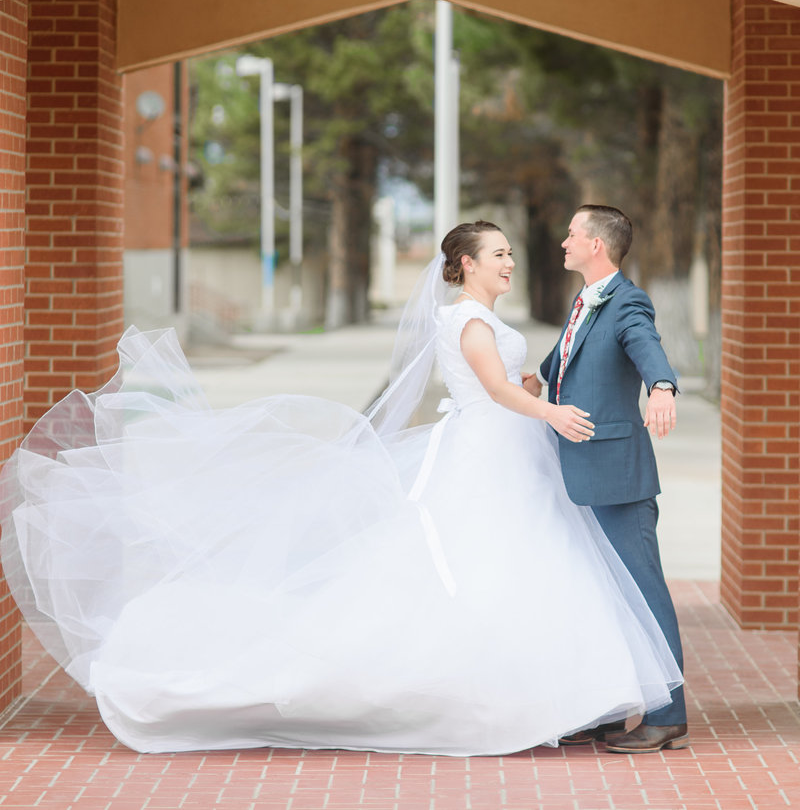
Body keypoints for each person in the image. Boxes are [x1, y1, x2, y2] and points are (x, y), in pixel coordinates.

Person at [0, 221, 681, 756]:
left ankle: (562, 696)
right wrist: (548, 409)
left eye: (509, 251)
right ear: (466, 264)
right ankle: (515, 695)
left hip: (512, 452)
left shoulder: (490, 319)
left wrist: (537, 390)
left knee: (534, 570)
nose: (511, 260)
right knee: (486, 569)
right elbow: (495, 390)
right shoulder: (467, 320)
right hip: (490, 452)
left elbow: (513, 380)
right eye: (498, 253)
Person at [526, 205, 688, 753]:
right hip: (578, 472)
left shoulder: (627, 301)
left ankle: (667, 716)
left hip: (619, 473)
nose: (564, 240)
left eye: (572, 233)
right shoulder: (584, 299)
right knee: (598, 594)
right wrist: (525, 379)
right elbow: (563, 363)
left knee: (642, 591)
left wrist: (662, 387)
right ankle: (603, 709)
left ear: (596, 244)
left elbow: (646, 346)